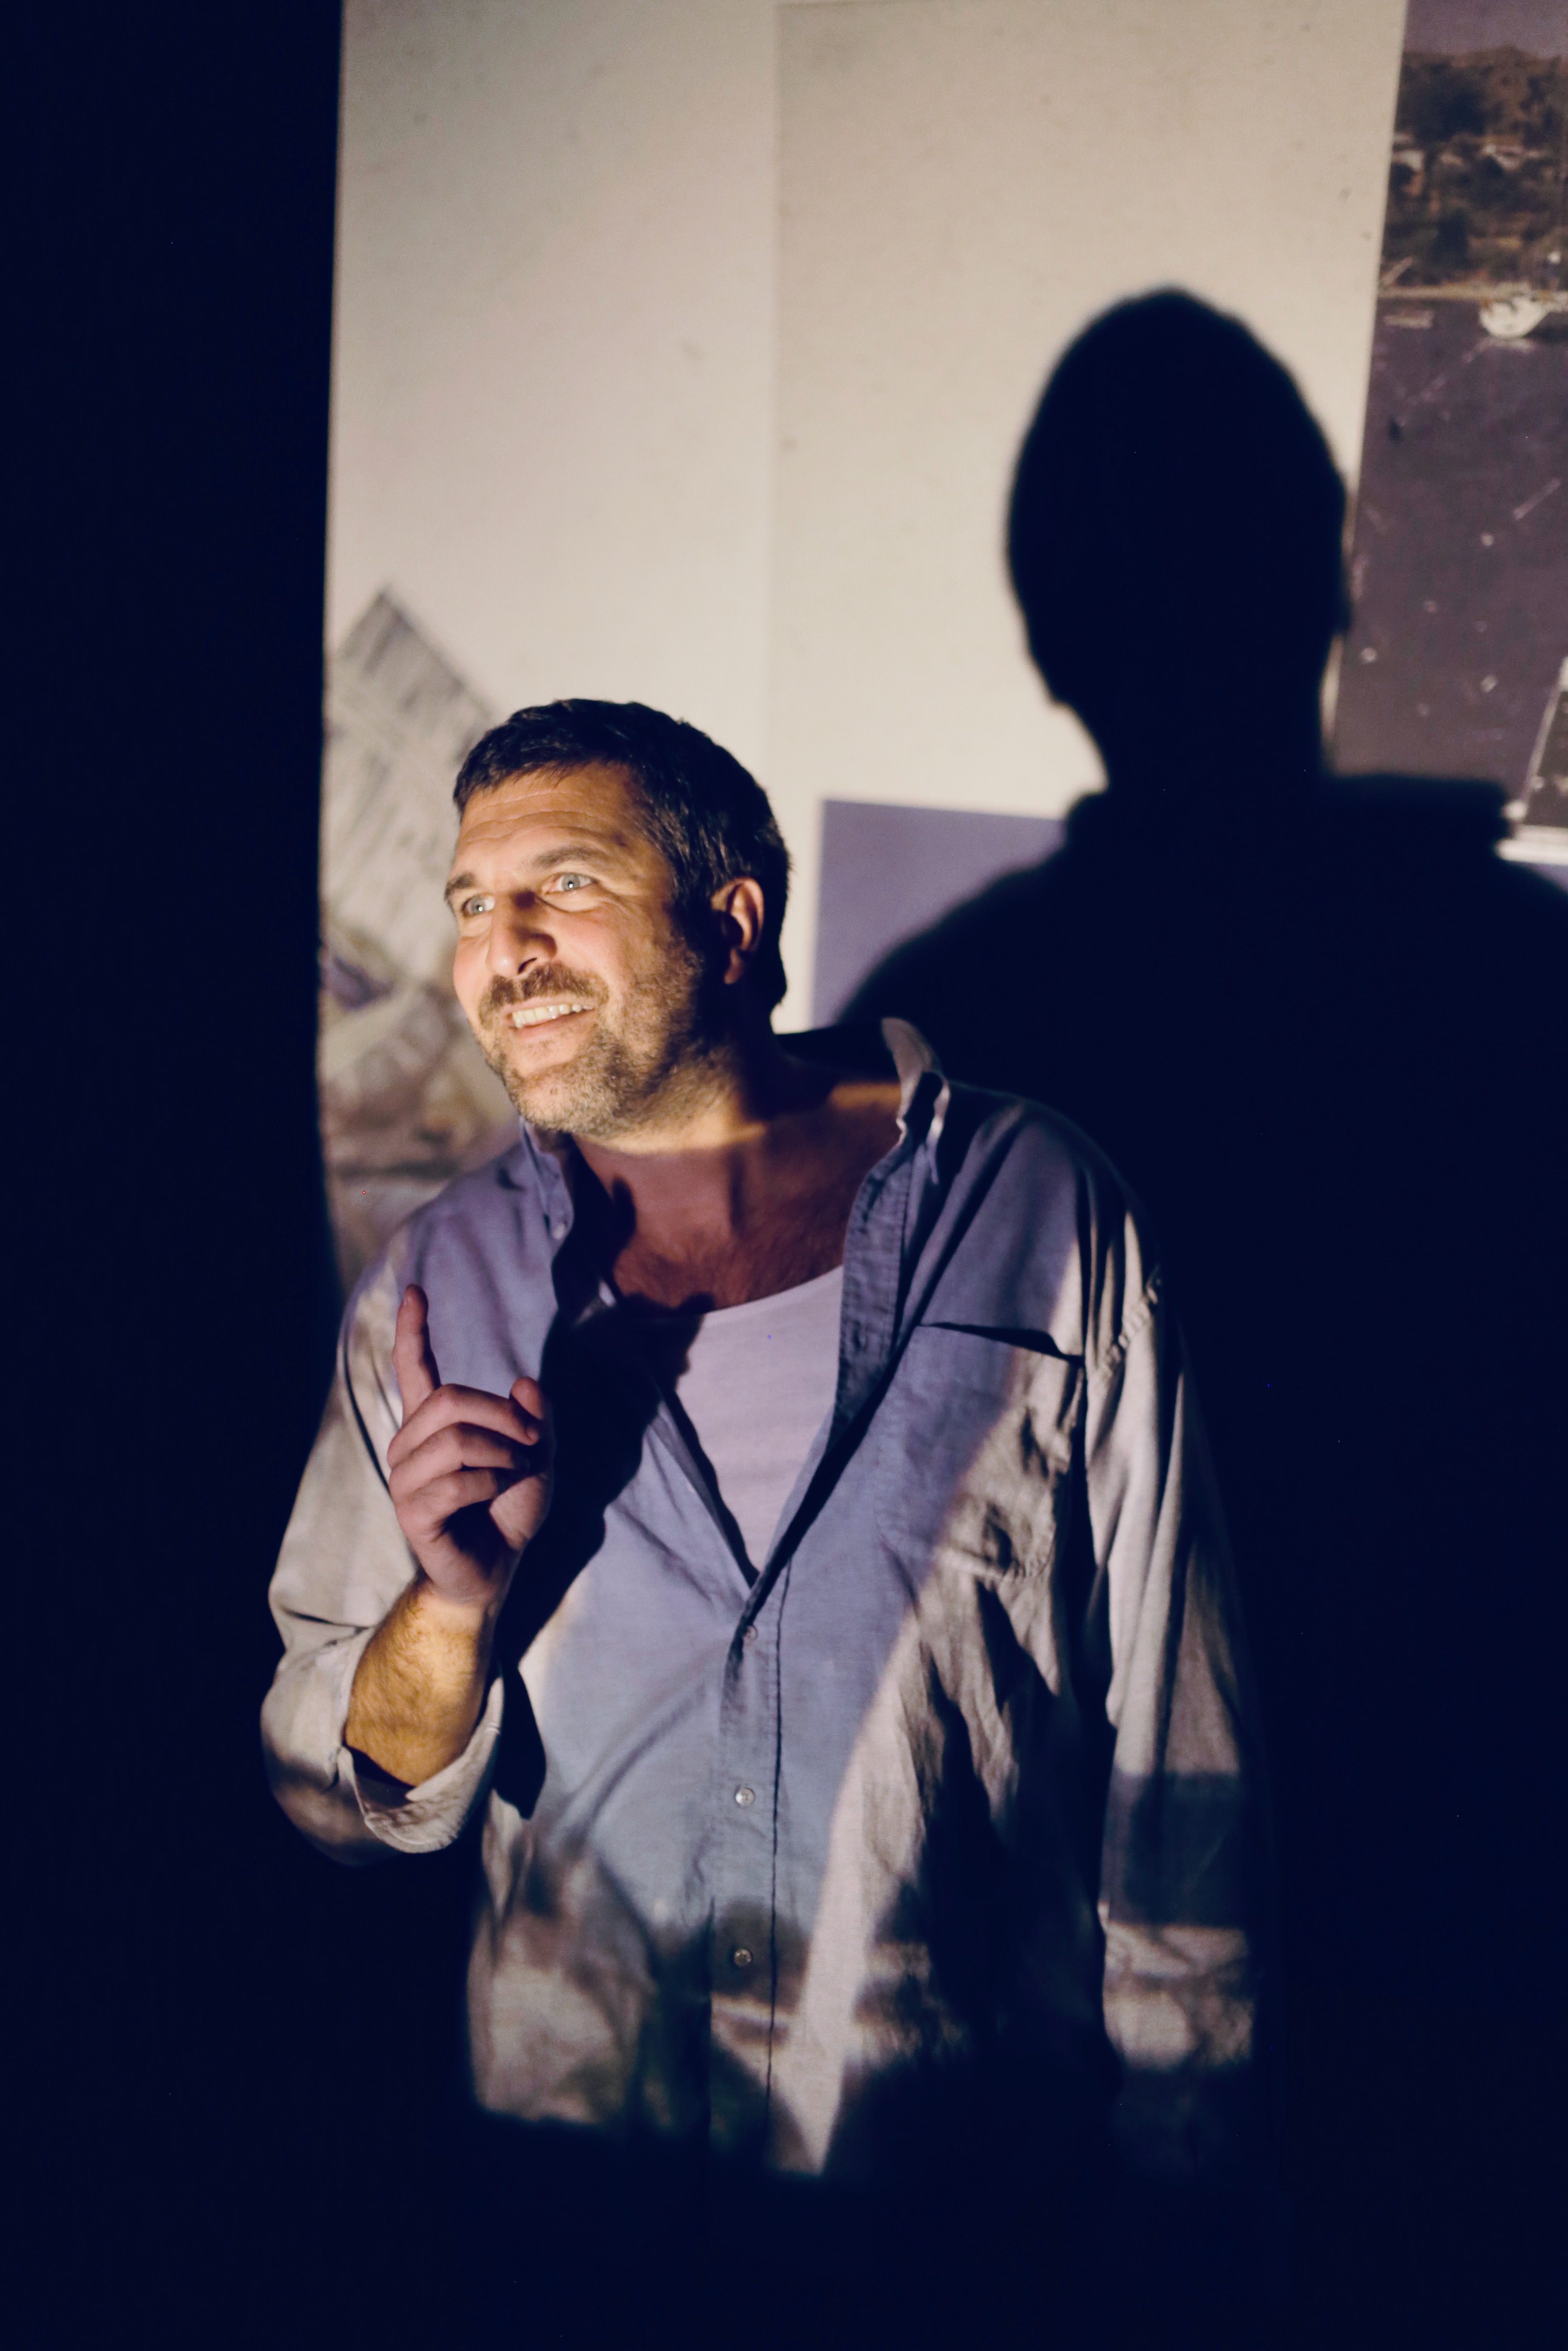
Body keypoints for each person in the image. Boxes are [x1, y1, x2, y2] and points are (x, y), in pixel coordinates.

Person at [262, 697, 1274, 2333]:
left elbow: (1180, 1734)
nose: (502, 949)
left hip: (955, 2227)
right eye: (471, 904)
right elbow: (328, 1784)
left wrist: (1189, 2177)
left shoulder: (1041, 1214)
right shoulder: (440, 1282)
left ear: (731, 923)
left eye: (562, 885)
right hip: (572, 2222)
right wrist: (444, 1616)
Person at [840, 291, 1568, 2343]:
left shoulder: (946, 1045)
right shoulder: (1519, 987)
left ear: (1046, 638)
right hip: (1480, 1967)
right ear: (1330, 577)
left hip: (1073, 2042)